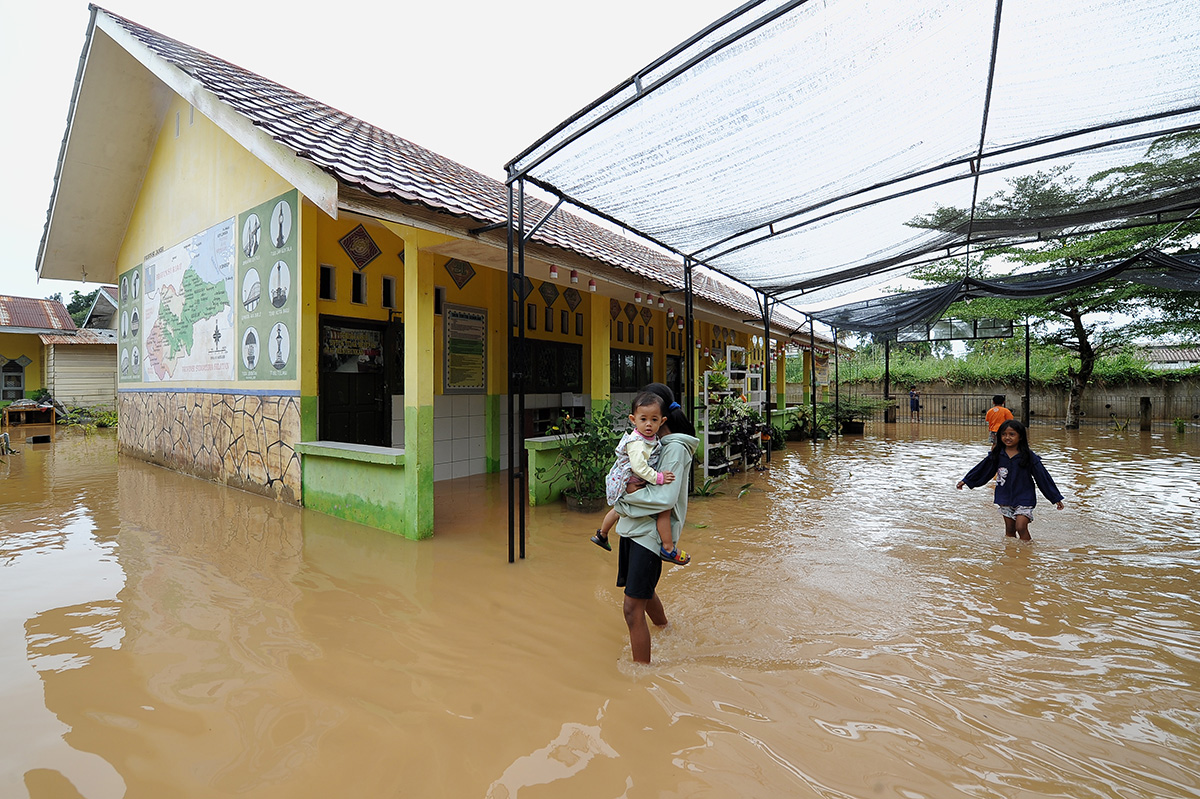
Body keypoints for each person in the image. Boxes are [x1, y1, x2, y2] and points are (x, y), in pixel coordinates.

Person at [613, 383, 699, 663]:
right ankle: (666, 628)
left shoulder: (674, 448)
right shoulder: (648, 445)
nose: (645, 422)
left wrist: (622, 501)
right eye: (641, 417)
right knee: (644, 594)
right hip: (633, 529)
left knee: (630, 608)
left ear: (661, 416)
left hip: (648, 536)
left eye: (650, 417)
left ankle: (642, 676)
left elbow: (664, 499)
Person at [590, 390, 684, 563]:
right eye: (643, 419)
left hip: (632, 479)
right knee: (663, 508)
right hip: (630, 479)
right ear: (633, 420)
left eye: (654, 420)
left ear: (662, 421)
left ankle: (602, 534)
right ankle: (668, 547)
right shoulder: (636, 441)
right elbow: (639, 467)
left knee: (619, 509)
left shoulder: (651, 438)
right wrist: (659, 478)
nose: (648, 424)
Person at [956, 419, 1064, 541]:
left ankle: (1027, 555)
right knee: (1010, 531)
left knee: (1021, 526)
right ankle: (1010, 556)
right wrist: (966, 480)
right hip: (1005, 497)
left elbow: (1043, 477)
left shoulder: (1028, 456)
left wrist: (1055, 497)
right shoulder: (997, 455)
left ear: (1021, 436)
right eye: (1003, 434)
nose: (1007, 437)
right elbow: (982, 469)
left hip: (1024, 498)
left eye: (1012, 434)